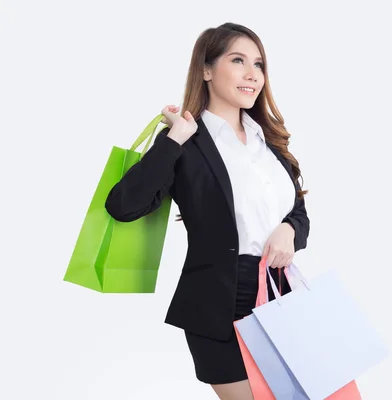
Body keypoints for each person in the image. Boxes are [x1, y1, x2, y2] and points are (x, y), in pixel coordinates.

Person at [105, 22, 310, 399]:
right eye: (238, 60)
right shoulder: (187, 142)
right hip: (220, 302)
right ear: (206, 70)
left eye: (259, 64)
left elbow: (298, 209)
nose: (253, 75)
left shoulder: (270, 141)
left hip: (282, 297)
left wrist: (291, 231)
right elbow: (123, 205)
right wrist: (174, 139)